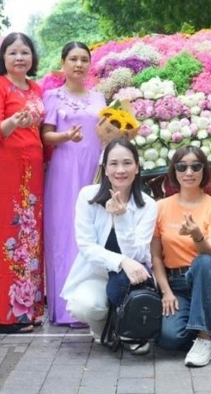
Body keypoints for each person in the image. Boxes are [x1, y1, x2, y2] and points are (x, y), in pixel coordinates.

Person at [61, 138, 157, 352]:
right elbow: (86, 246)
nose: (120, 170)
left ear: (137, 167)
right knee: (85, 304)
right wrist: (121, 261)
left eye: (127, 163)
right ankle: (103, 329)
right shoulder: (88, 196)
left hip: (130, 279)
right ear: (105, 169)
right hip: (97, 273)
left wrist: (122, 217)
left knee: (127, 285)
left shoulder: (148, 205)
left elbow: (138, 253)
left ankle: (130, 330)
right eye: (113, 164)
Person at [0, 33, 45, 334]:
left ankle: (28, 309)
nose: (19, 58)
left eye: (25, 52)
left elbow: (42, 132)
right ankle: (3, 316)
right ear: (3, 58)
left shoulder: (36, 88)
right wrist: (13, 123)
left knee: (31, 235)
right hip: (6, 168)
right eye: (12, 53)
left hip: (33, 171)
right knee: (7, 234)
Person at [42, 42, 107, 326]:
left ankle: (92, 303)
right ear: (63, 63)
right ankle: (64, 308)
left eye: (83, 59)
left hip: (93, 169)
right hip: (64, 170)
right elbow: (46, 137)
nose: (78, 64)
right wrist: (66, 136)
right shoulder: (52, 97)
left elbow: (105, 133)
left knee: (92, 230)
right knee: (64, 232)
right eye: (73, 59)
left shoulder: (100, 98)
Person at [151, 146, 211, 367]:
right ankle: (199, 329)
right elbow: (156, 257)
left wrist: (197, 235)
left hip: (208, 278)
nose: (189, 172)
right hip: (176, 283)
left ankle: (204, 338)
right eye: (182, 166)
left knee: (203, 261)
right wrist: (166, 292)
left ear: (204, 170)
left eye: (196, 166)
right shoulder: (161, 207)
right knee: (170, 338)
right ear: (174, 171)